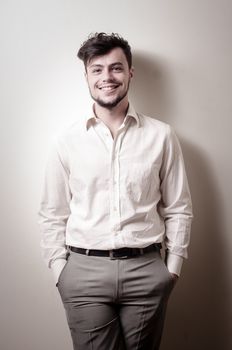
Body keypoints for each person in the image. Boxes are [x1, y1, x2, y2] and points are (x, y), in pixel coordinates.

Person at [38, 32, 193, 350]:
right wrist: (60, 271)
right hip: (83, 272)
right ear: (87, 76)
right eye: (97, 69)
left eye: (116, 68)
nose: (107, 77)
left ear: (130, 73)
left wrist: (172, 270)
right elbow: (52, 213)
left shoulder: (162, 136)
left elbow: (178, 207)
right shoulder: (66, 141)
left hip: (147, 269)